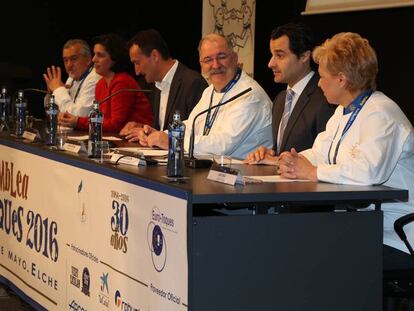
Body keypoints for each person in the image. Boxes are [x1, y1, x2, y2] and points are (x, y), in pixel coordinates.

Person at [278, 32, 414, 270]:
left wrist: (313, 172)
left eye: (322, 77)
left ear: (341, 79)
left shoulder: (381, 113)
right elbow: (321, 152)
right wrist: (293, 160)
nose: (318, 83)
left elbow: (370, 173)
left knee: (320, 259)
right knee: (300, 243)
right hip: (364, 226)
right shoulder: (343, 111)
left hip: (397, 234)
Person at [128, 33, 272, 159]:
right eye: (208, 60)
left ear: (234, 58)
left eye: (221, 57)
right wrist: (159, 135)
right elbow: (192, 125)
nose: (215, 65)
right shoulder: (210, 91)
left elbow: (223, 145)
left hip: (244, 179)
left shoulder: (250, 95)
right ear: (201, 64)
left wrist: (172, 140)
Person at [245, 23, 335, 165]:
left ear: (304, 56)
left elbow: (327, 157)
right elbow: (283, 152)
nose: (270, 63)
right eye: (272, 55)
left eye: (279, 55)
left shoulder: (326, 97)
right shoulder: (280, 99)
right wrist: (270, 154)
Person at [120, 29, 208, 136]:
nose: (136, 71)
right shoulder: (157, 85)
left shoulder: (193, 83)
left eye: (137, 62)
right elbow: (161, 131)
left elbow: (197, 134)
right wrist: (144, 129)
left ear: (155, 56)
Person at [59, 33, 153, 132]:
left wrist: (77, 121)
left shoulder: (122, 82)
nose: (94, 59)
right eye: (94, 54)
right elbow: (103, 121)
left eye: (100, 55)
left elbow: (115, 125)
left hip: (139, 140)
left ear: (114, 58)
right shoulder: (100, 84)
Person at [43, 39, 101, 116]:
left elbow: (80, 115)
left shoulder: (95, 79)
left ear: (88, 59)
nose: (69, 65)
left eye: (74, 59)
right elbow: (53, 113)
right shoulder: (71, 78)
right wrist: (51, 94)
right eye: (65, 60)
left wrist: (58, 90)